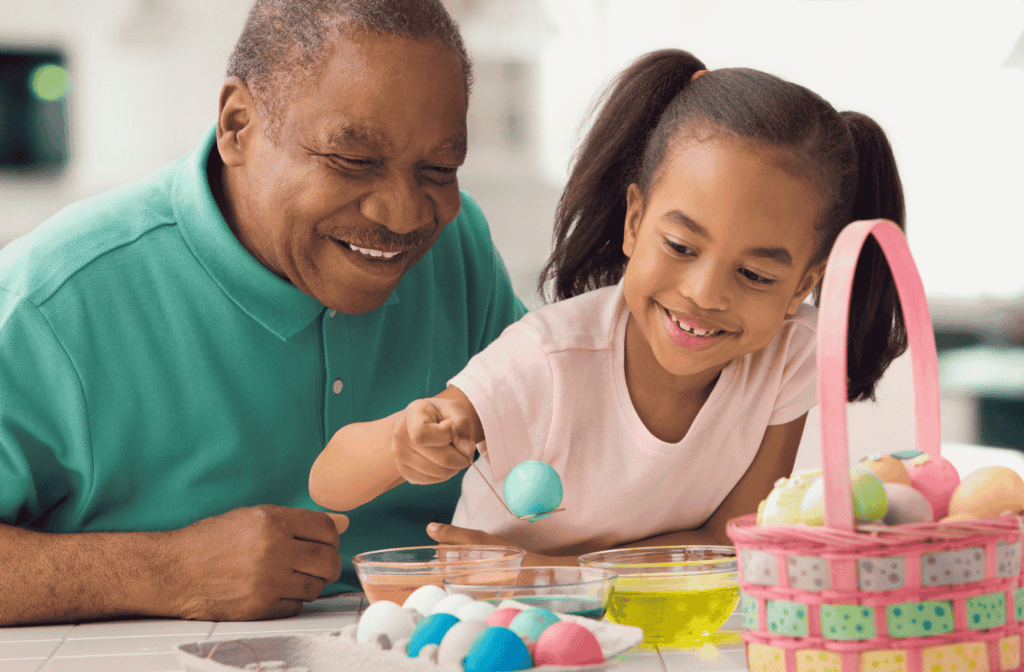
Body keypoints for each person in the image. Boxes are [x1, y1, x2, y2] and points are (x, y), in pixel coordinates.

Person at [0, 0, 525, 626]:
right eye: (353, 161)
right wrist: (164, 572)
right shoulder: (54, 299)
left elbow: (569, 446)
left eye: (438, 170)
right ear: (238, 126)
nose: (406, 216)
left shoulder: (460, 251)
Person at [308, 49, 908, 563]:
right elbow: (330, 481)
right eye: (679, 245)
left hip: (653, 619)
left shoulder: (792, 355)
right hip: (498, 617)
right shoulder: (548, 359)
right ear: (634, 220)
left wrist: (550, 570)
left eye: (754, 273)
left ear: (805, 285)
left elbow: (730, 539)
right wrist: (402, 442)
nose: (704, 293)